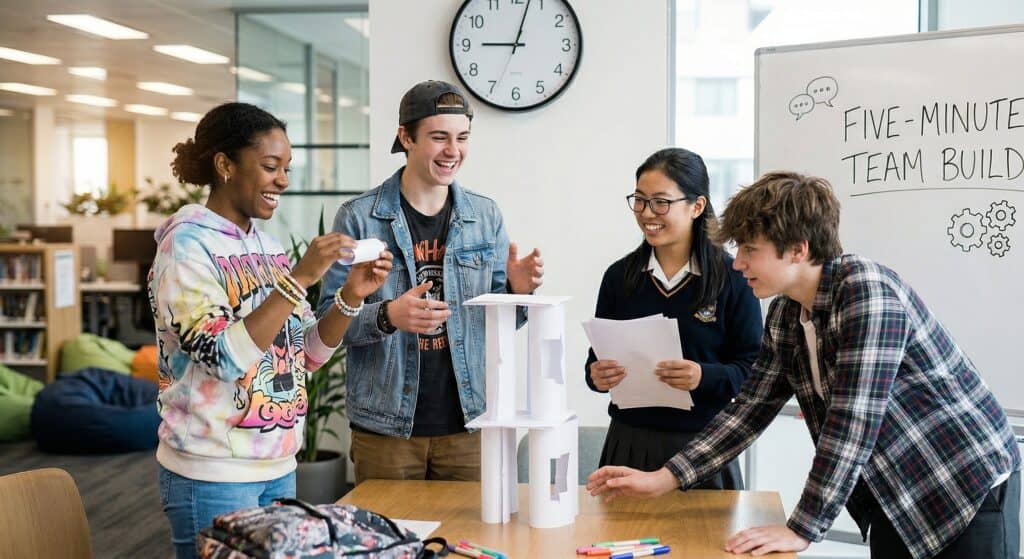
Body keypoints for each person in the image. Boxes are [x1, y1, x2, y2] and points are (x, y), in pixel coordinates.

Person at [587, 171, 1020, 559]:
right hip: (895, 491)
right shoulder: (786, 315)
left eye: (750, 251)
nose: (738, 264)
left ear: (798, 250)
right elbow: (749, 410)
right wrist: (666, 477)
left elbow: (852, 425)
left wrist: (802, 528)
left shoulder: (866, 293)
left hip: (964, 482)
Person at [150, 102, 392, 559]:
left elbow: (306, 356)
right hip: (212, 470)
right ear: (224, 165)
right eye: (269, 166)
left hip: (278, 463)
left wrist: (352, 296)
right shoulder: (186, 245)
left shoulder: (267, 248)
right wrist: (299, 278)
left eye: (286, 168)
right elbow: (221, 356)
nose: (283, 179)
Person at [317, 80, 543, 483]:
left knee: (469, 544)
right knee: (389, 544)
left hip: (471, 426)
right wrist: (388, 316)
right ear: (406, 137)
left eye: (462, 138)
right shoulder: (358, 218)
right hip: (385, 429)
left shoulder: (485, 216)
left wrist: (517, 295)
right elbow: (326, 326)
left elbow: (501, 325)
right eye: (439, 137)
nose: (453, 151)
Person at [585, 147, 762, 489]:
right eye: (639, 200)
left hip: (705, 447)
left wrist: (702, 376)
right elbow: (595, 363)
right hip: (629, 442)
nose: (648, 213)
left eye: (661, 202)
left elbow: (752, 369)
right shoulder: (619, 277)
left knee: (705, 543)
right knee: (621, 542)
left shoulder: (733, 276)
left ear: (696, 206)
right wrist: (597, 375)